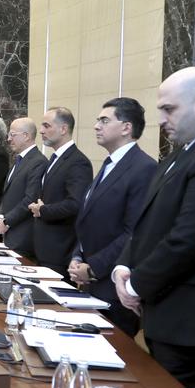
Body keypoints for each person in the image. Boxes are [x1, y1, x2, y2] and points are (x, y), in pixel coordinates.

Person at [112, 67, 195, 388]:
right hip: (163, 316)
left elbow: (190, 237)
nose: (159, 119)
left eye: (168, 109)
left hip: (192, 323)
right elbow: (147, 222)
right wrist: (123, 266)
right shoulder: (181, 154)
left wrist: (137, 284)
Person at [66, 98, 156, 337]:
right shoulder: (109, 164)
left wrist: (93, 268)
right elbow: (89, 220)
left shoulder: (143, 168)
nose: (96, 126)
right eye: (97, 121)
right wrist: (78, 256)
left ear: (126, 127)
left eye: (104, 120)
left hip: (113, 288)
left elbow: (134, 232)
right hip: (91, 283)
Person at [29, 107, 93, 275]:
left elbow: (76, 204)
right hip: (42, 248)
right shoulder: (55, 158)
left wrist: (42, 210)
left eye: (46, 126)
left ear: (63, 129)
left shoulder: (78, 162)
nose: (41, 131)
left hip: (59, 252)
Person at [0, 117, 47, 257]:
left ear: (26, 136)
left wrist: (7, 221)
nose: (8, 139)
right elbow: (8, 194)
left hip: (22, 237)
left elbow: (30, 198)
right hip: (8, 233)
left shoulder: (38, 162)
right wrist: (1, 217)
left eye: (13, 134)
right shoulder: (19, 160)